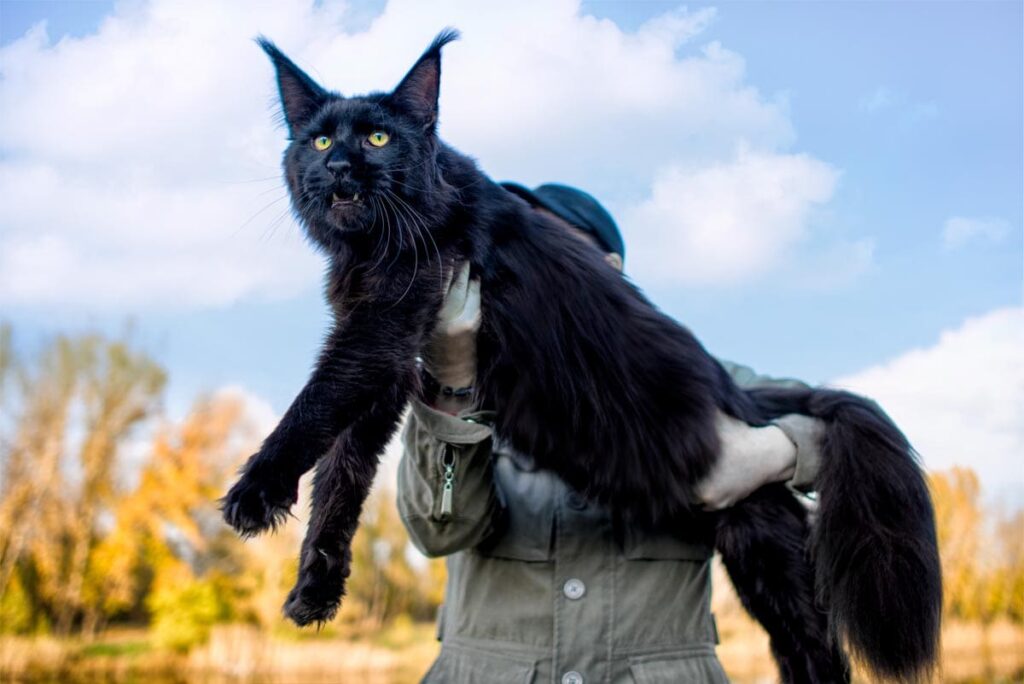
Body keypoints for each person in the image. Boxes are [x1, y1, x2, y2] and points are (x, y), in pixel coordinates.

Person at [398, 183, 824, 684]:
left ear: (609, 272)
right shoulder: (464, 382)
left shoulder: (701, 379)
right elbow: (439, 532)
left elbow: (855, 435)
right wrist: (452, 385)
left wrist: (773, 450)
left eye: (548, 244)